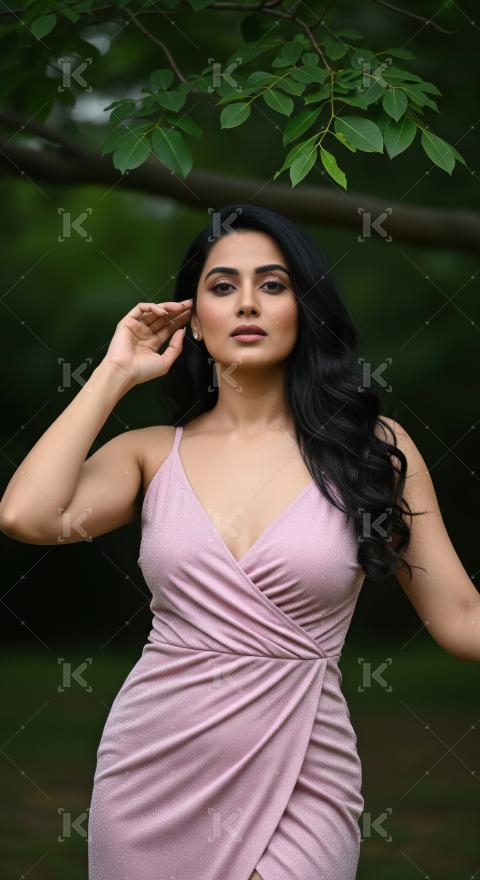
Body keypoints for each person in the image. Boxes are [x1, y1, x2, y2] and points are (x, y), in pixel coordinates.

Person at [1, 204, 478, 880]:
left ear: (303, 308)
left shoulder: (372, 449)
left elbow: (461, 618)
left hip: (305, 771)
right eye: (223, 286)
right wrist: (114, 371)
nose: (248, 302)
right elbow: (27, 514)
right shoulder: (148, 455)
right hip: (154, 767)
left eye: (273, 284)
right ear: (193, 317)